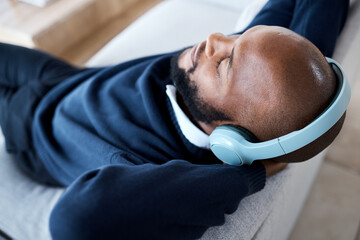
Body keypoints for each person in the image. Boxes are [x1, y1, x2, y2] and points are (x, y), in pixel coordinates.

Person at [0, 0, 349, 239]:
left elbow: (76, 220)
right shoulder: (266, 76)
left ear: (229, 139)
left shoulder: (144, 165)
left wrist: (247, 175)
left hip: (32, 129)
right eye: (237, 40)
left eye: (225, 64)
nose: (214, 40)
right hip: (66, 79)